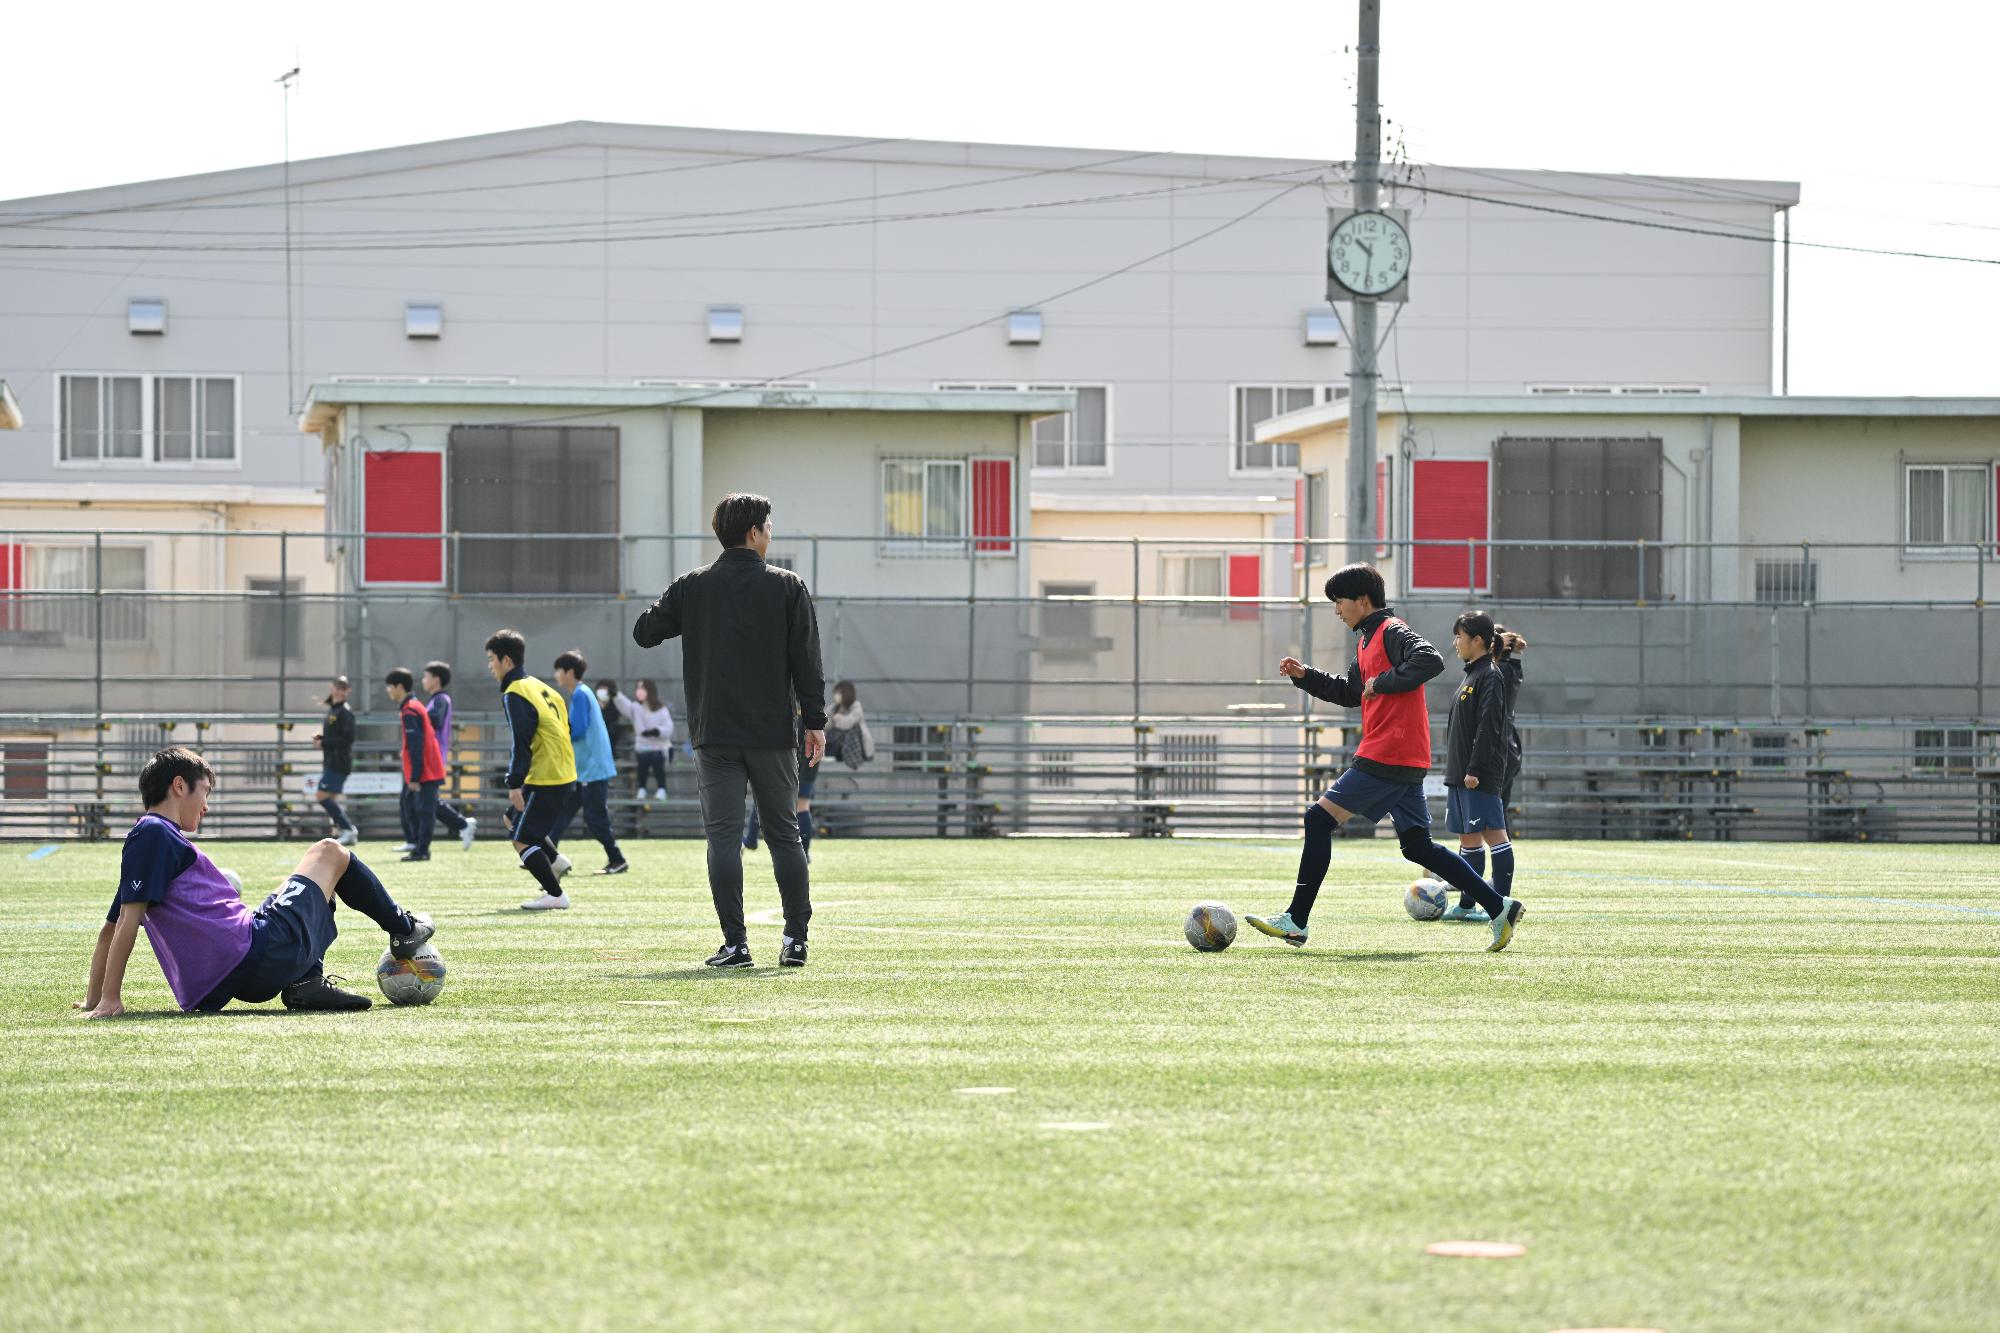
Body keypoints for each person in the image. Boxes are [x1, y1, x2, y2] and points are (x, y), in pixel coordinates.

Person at [1244, 563, 1525, 953]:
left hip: (1389, 750)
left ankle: (1297, 919)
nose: (1337, 610)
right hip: (1399, 753)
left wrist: (1384, 682)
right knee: (1417, 847)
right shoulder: (1364, 641)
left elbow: (1429, 660)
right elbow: (1350, 693)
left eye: (1339, 601)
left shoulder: (1391, 631)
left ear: (1362, 600)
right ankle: (1499, 906)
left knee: (1318, 819)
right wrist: (1305, 675)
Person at [76, 746, 433, 1017]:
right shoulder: (155, 833)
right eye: (205, 792)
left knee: (294, 887)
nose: (206, 806)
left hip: (218, 982)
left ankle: (306, 982)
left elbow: (113, 925)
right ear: (180, 786)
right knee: (329, 852)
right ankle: (404, 929)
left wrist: (95, 998)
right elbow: (126, 921)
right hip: (255, 954)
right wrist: (110, 1000)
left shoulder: (146, 839)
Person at [633, 492, 825, 969]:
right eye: (769, 527)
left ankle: (735, 944)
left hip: (713, 730)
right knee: (784, 836)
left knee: (723, 838)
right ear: (756, 531)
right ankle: (795, 940)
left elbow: (645, 631)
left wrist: (679, 603)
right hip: (773, 732)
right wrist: (815, 722)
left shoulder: (694, 586)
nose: (770, 535)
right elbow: (807, 660)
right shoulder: (787, 586)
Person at [485, 628, 580, 912]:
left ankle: (555, 894)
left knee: (521, 838)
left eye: (492, 659)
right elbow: (566, 728)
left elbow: (521, 741)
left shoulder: (515, 692)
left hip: (548, 775)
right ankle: (556, 861)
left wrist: (514, 782)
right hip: (560, 770)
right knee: (511, 817)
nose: (490, 666)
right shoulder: (543, 687)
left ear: (506, 661)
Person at [1440, 613, 1520, 923]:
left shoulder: (1490, 675)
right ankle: (1467, 905)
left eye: (1459, 636)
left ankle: (1501, 906)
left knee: (1494, 835)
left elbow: (1489, 726)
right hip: (1460, 774)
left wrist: (1474, 768)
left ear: (1477, 640)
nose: (1455, 642)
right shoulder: (1471, 674)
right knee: (1468, 839)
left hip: (1477, 774)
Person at [550, 649, 630, 875]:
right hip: (584, 769)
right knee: (563, 812)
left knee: (595, 818)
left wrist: (555, 734)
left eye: (559, 670)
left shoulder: (580, 694)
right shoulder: (581, 693)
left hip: (592, 768)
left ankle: (617, 859)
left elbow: (577, 729)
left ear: (569, 672)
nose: (556, 674)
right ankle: (546, 856)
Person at [385, 668, 446, 862]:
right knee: (411, 805)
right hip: (425, 768)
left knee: (425, 811)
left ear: (399, 687)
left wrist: (414, 776)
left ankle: (422, 850)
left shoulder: (410, 710)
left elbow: (416, 745)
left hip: (426, 770)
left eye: (390, 686)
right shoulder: (412, 706)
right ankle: (418, 846)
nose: (388, 691)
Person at [743, 715, 819, 862]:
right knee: (802, 807)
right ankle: (804, 853)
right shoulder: (811, 707)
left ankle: (752, 839)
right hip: (808, 762)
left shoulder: (783, 704)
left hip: (784, 761)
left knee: (763, 798)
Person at [423, 660, 477, 851]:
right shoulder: (435, 700)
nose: (423, 681)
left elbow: (435, 720)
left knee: (428, 800)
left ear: (436, 680)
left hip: (434, 756)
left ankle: (462, 824)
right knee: (428, 800)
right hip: (431, 755)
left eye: (426, 677)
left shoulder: (440, 700)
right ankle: (462, 824)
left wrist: (417, 713)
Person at [311, 675, 357, 846]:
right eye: (337, 687)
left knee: (321, 795)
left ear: (348, 691)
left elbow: (347, 739)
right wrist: (322, 738)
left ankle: (348, 829)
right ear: (332, 688)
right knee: (332, 799)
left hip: (339, 762)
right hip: (332, 761)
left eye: (343, 688)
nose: (339, 690)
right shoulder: (334, 710)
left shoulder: (345, 712)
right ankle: (342, 831)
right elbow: (336, 736)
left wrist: (324, 742)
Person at [612, 679, 675, 800]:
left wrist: (657, 731)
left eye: (643, 688)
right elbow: (625, 706)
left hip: (660, 747)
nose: (639, 691)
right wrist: (617, 695)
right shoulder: (636, 708)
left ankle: (662, 789)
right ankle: (642, 788)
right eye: (638, 688)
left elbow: (668, 727)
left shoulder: (661, 709)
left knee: (657, 759)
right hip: (643, 746)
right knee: (643, 760)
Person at [823, 680, 876, 769]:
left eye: (838, 693)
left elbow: (848, 724)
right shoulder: (834, 707)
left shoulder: (856, 706)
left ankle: (850, 758)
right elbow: (823, 722)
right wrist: (833, 720)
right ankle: (828, 754)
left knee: (853, 729)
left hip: (857, 746)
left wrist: (836, 719)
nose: (836, 695)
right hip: (838, 745)